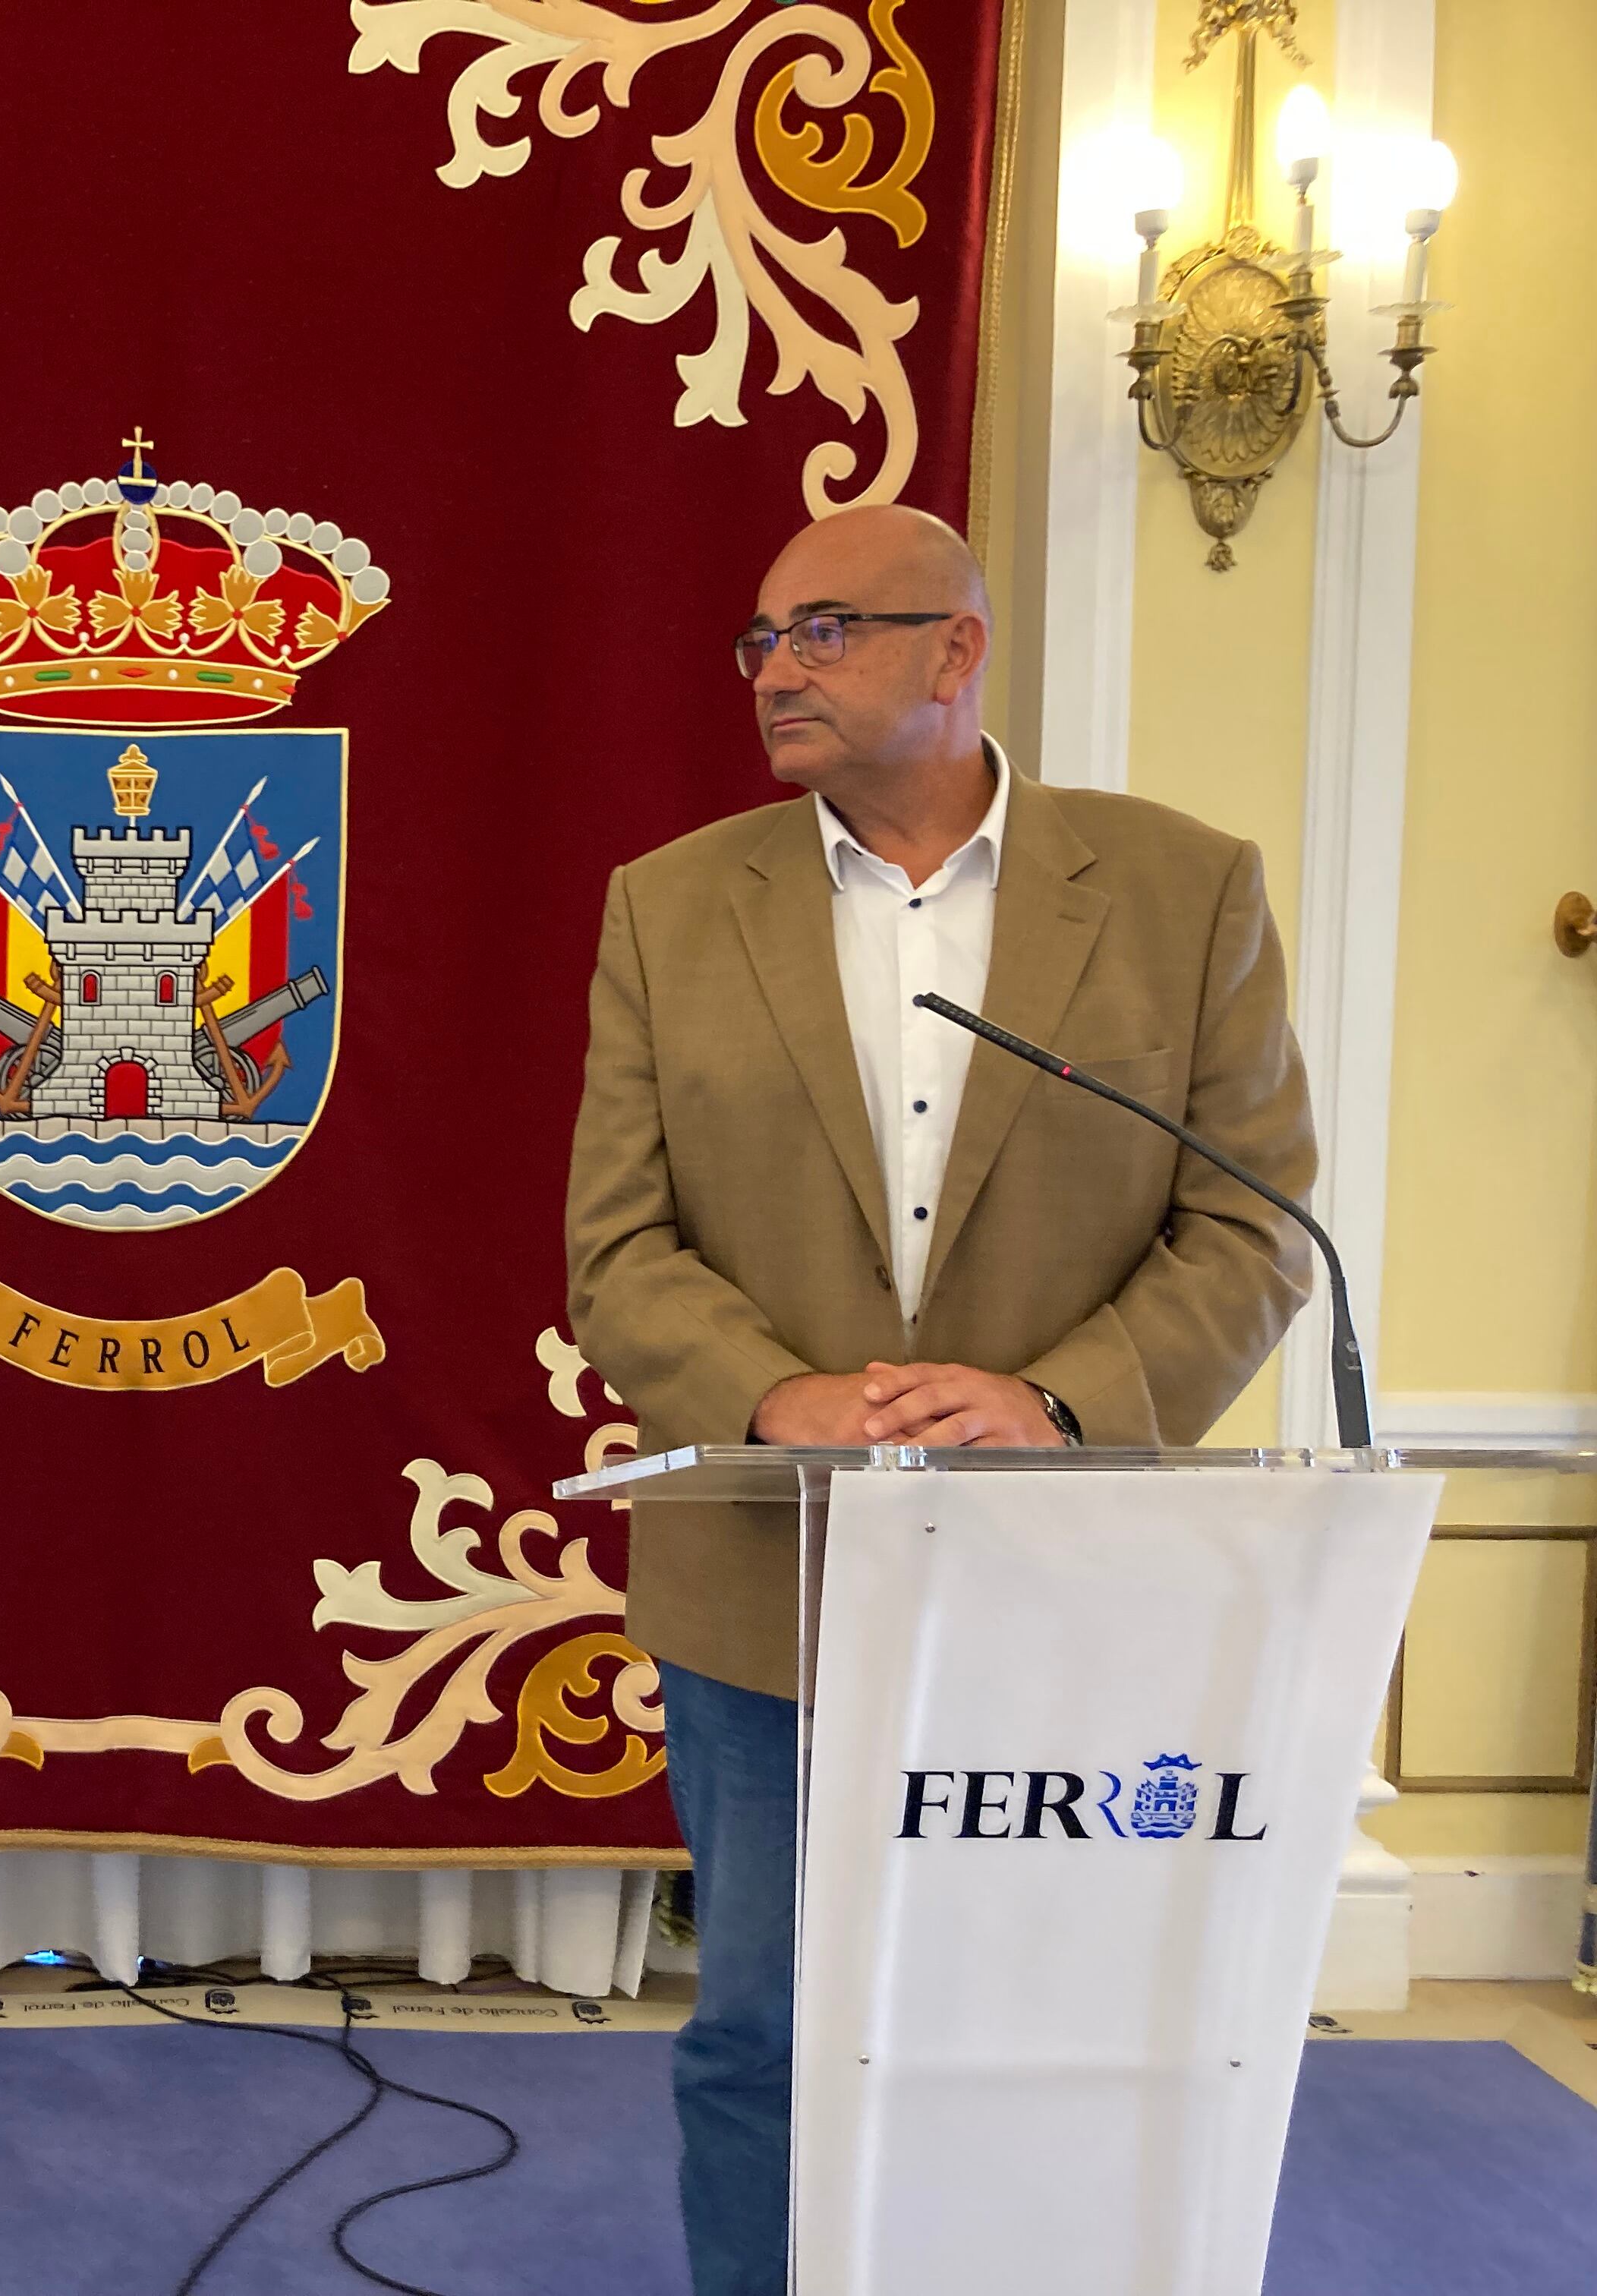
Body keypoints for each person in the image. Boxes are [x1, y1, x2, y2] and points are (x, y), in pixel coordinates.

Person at [562, 504, 1314, 2295]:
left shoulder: (1179, 888)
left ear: (957, 651)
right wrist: (781, 1395)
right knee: (762, 2032)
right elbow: (616, 1250)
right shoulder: (672, 905)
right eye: (760, 641)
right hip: (771, 1582)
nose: (776, 672)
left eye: (823, 630)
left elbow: (1256, 1224)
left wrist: (1058, 1404)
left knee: (1042, 2026)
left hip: (1065, 1578)